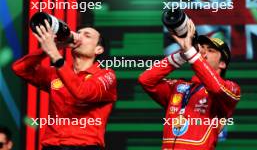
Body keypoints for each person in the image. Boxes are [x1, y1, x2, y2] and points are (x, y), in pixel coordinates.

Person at [12, 20, 117, 150]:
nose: (79, 36)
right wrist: (48, 49)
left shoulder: (106, 75)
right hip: (51, 146)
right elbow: (20, 68)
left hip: (85, 147)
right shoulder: (55, 74)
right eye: (78, 33)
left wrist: (55, 55)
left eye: (87, 35)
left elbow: (82, 93)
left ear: (98, 49)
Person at [138, 19, 241, 150]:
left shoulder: (231, 89)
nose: (203, 52)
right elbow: (145, 80)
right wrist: (182, 55)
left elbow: (217, 88)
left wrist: (191, 54)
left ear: (222, 64)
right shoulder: (178, 86)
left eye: (210, 50)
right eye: (201, 48)